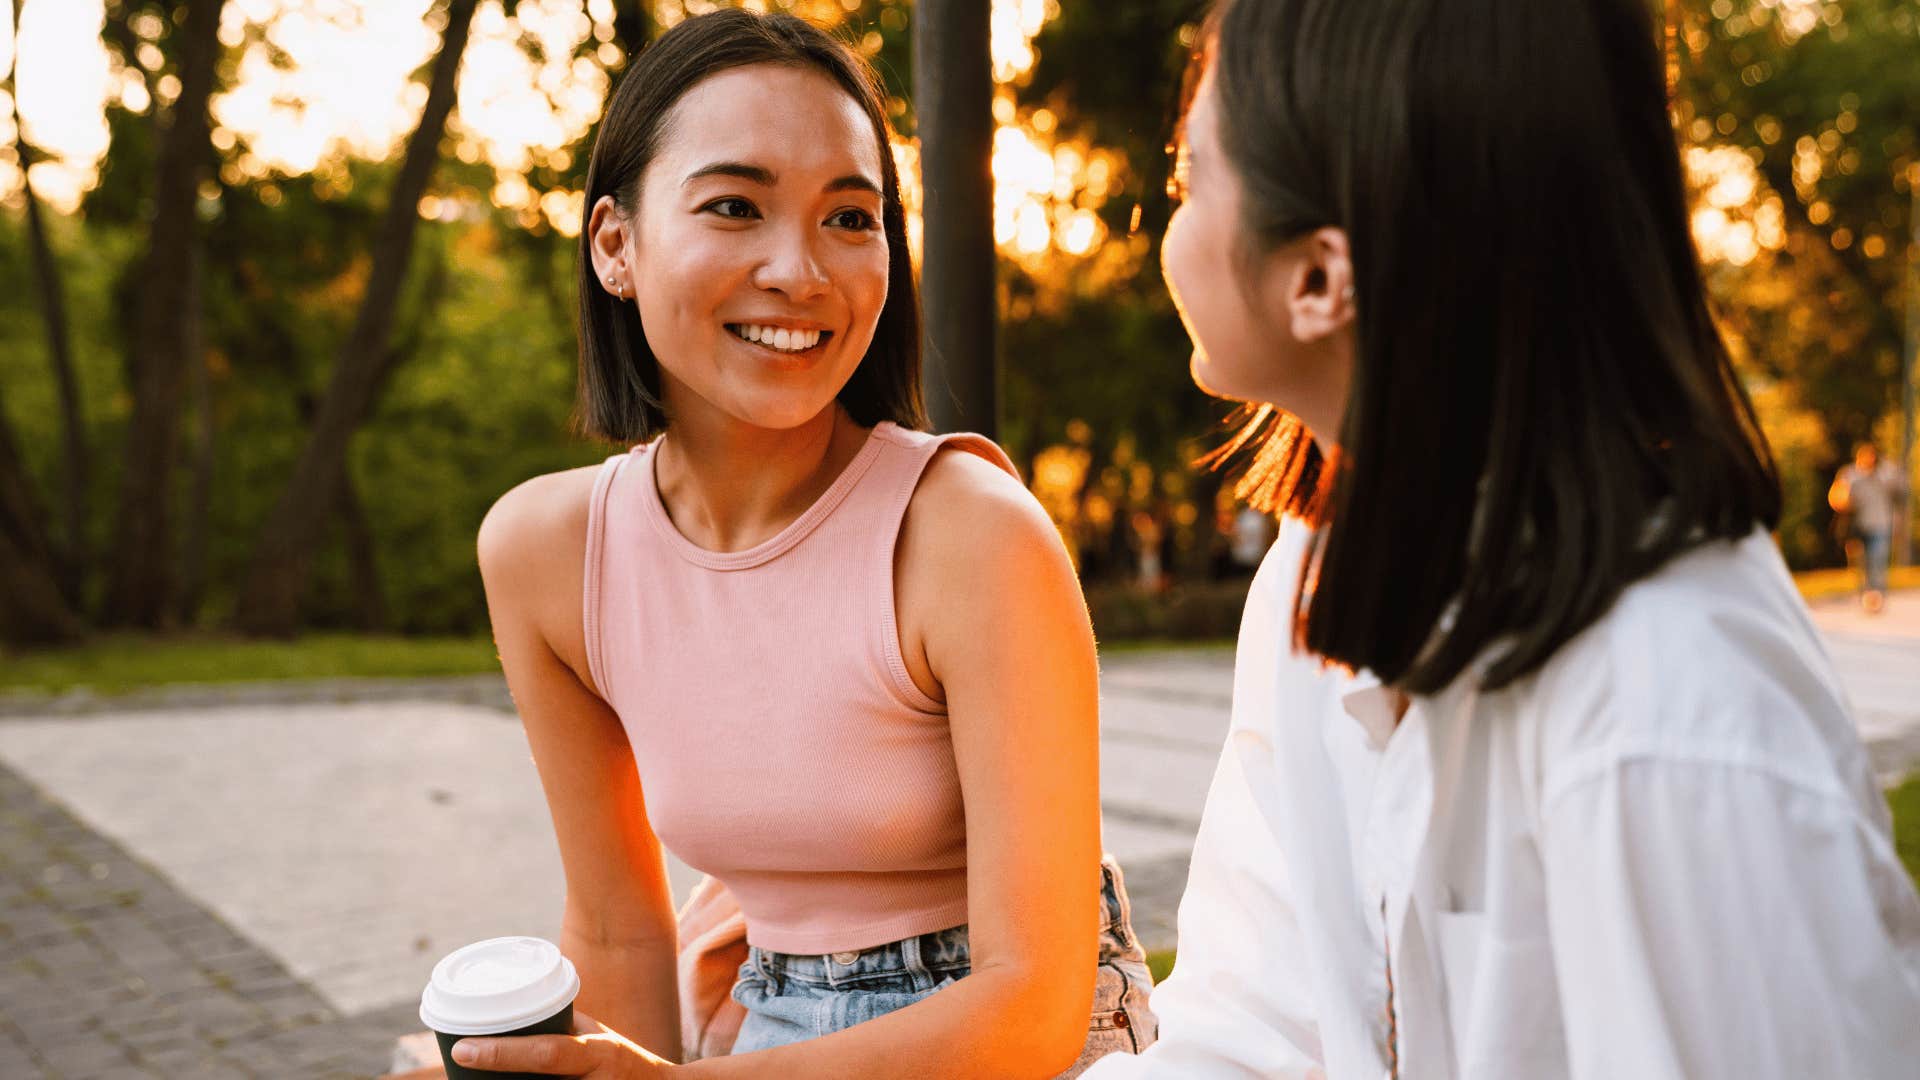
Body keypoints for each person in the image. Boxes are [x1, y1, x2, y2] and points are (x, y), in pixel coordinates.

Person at [1086, 0, 1920, 1077]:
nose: (1172, 222)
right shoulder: (1317, 574)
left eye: (1188, 179)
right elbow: (1256, 1026)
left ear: (1318, 279)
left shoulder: (1667, 713)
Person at [460, 11, 1152, 1078]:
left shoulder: (969, 534)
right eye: (735, 206)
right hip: (760, 1031)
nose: (801, 270)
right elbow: (615, 931)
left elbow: (1034, 1007)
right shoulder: (544, 554)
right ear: (615, 245)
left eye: (850, 216)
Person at [1829, 441, 1907, 612]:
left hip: (1881, 525)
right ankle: (1865, 593)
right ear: (1858, 459)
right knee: (1861, 563)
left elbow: (1901, 490)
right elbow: (1834, 497)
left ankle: (1877, 596)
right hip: (1856, 527)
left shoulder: (1885, 474)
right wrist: (1845, 501)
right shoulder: (1850, 475)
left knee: (1877, 560)